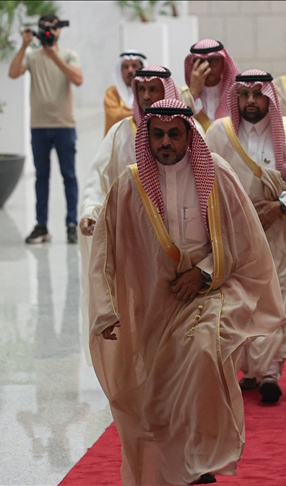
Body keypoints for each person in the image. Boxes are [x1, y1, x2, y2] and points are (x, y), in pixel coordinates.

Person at [88, 99, 285, 485]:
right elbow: (104, 251)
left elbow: (244, 238)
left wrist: (204, 272)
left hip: (212, 288)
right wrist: (106, 309)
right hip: (155, 300)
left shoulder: (217, 173)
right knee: (157, 391)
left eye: (174, 134)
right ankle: (178, 467)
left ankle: (202, 456)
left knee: (202, 351)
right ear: (147, 137)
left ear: (188, 136)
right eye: (157, 135)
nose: (165, 142)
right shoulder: (130, 184)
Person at [206, 70, 286, 403]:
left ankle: (269, 371)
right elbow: (207, 181)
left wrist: (278, 207)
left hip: (281, 231)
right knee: (242, 301)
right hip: (237, 236)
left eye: (258, 94)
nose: (251, 101)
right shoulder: (219, 133)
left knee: (279, 299)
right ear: (236, 98)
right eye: (245, 95)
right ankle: (250, 370)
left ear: (269, 97)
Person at [79, 65, 185, 364]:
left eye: (154, 89)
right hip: (133, 242)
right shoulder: (120, 132)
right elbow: (98, 177)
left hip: (179, 242)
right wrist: (90, 210)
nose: (147, 96)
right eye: (142, 90)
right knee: (138, 316)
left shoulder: (187, 133)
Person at [8, 13, 83, 244]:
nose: (49, 32)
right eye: (45, 28)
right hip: (39, 126)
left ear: (59, 30)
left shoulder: (69, 55)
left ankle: (72, 223)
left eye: (53, 28)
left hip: (64, 125)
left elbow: (78, 79)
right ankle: (41, 226)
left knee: (69, 175)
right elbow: (13, 73)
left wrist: (54, 56)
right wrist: (24, 45)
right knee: (41, 177)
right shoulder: (32, 56)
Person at [181, 39, 240, 133]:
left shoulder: (237, 95)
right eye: (200, 62)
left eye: (212, 60)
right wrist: (193, 93)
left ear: (223, 63)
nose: (206, 66)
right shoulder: (181, 96)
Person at [103, 51, 146, 134]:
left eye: (134, 66)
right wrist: (142, 113)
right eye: (126, 67)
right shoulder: (112, 92)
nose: (130, 70)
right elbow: (114, 116)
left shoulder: (148, 92)